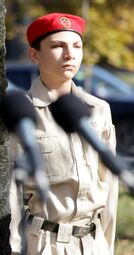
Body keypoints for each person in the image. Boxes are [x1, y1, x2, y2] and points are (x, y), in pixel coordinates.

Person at [9, 13, 118, 254]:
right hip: (44, 243)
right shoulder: (22, 113)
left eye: (77, 46)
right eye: (58, 46)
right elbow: (12, 195)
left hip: (93, 243)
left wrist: (107, 247)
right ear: (34, 54)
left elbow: (109, 186)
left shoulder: (98, 110)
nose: (70, 54)